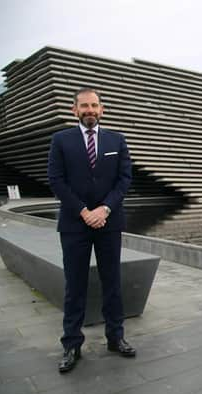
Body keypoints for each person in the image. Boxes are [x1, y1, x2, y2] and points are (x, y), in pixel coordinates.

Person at [48, 87, 136, 373]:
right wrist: (85, 211)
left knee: (112, 282)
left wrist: (105, 209)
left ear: (102, 109)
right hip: (75, 224)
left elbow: (124, 180)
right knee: (75, 285)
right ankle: (72, 345)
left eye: (94, 105)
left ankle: (116, 337)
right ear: (75, 110)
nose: (90, 110)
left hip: (109, 223)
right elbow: (57, 180)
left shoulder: (117, 139)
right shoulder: (61, 140)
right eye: (84, 106)